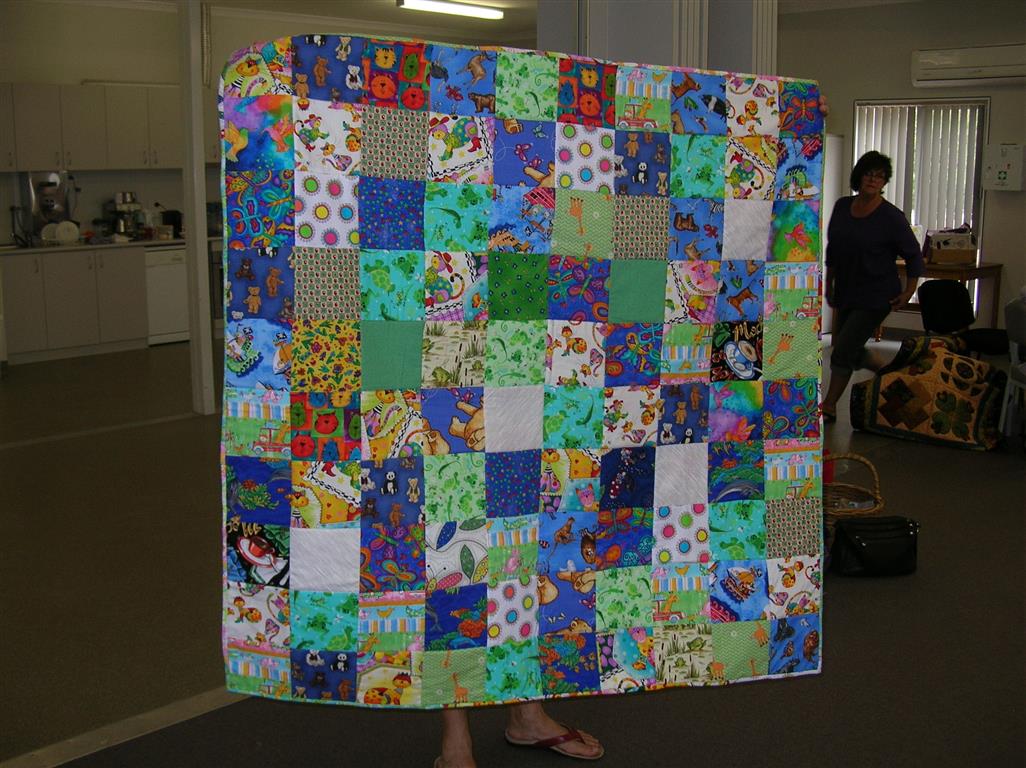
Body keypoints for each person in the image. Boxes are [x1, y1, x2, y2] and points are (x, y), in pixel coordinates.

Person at [821, 150, 924, 423]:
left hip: (877, 295)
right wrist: (829, 284)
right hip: (847, 290)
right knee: (848, 348)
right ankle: (889, 372)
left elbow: (914, 255)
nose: (873, 180)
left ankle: (829, 406)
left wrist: (909, 291)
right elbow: (834, 249)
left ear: (884, 182)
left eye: (879, 176)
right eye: (868, 174)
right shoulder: (842, 207)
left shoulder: (891, 216)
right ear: (859, 176)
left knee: (843, 350)